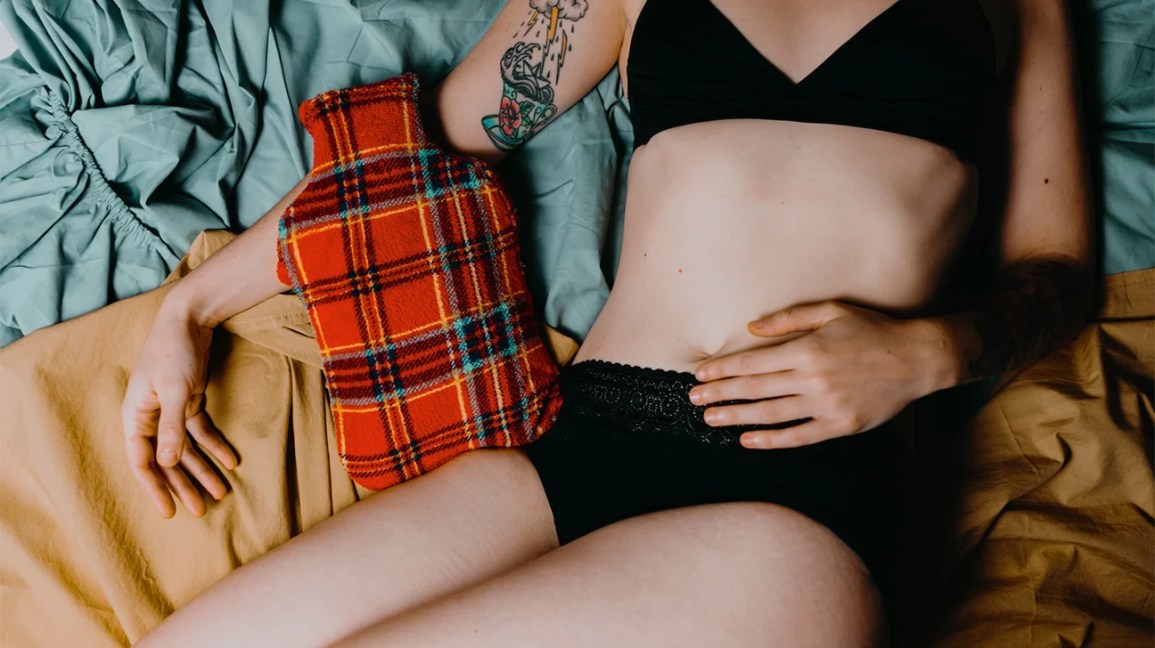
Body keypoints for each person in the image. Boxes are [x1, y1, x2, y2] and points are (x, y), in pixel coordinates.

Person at [124, 0, 1091, 645]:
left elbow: (1057, 270)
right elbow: (414, 159)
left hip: (801, 499)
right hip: (579, 445)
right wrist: (192, 306)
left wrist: (931, 352)